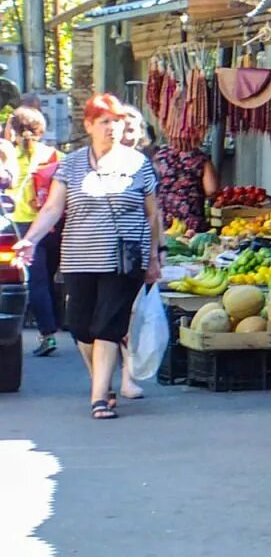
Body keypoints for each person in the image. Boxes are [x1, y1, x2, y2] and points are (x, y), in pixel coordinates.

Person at [16, 95, 163, 420]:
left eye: (117, 121)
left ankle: (99, 397)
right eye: (105, 122)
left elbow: (153, 214)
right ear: (89, 126)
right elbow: (54, 208)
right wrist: (30, 240)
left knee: (108, 325)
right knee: (81, 327)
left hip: (123, 259)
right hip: (78, 257)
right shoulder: (70, 164)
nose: (113, 128)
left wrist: (154, 255)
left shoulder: (139, 164)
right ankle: (102, 381)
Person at [8, 108, 62, 357]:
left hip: (25, 226)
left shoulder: (8, 156)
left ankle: (48, 334)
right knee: (50, 278)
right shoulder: (55, 155)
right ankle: (57, 322)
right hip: (56, 224)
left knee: (36, 281)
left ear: (14, 130)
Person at [148, 121, 219, 233]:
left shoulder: (160, 155)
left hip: (164, 219)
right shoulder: (201, 158)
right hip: (192, 221)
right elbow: (211, 190)